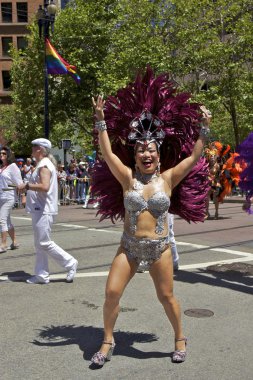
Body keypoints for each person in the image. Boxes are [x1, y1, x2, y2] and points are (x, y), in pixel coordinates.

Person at [89, 69, 211, 367]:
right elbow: (107, 153)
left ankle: (180, 337)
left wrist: (205, 128)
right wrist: (100, 119)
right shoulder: (127, 177)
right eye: (141, 149)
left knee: (166, 297)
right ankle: (107, 340)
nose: (146, 153)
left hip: (160, 249)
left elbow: (194, 157)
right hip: (129, 246)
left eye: (151, 150)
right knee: (111, 293)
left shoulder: (168, 178)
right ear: (135, 155)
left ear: (158, 155)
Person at [17, 138, 78, 284]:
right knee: (39, 244)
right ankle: (41, 275)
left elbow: (44, 186)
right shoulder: (43, 164)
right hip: (41, 209)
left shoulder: (44, 165)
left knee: (43, 243)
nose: (31, 150)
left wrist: (26, 186)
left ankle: (70, 263)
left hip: (43, 209)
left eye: (33, 147)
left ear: (39, 149)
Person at [0, 146, 24, 252]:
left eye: (4, 153)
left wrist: (24, 196)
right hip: (1, 196)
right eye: (1, 153)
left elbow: (19, 183)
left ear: (8, 155)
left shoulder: (13, 166)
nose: (2, 155)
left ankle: (3, 244)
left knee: (2, 220)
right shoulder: (1, 167)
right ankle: (15, 242)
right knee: (7, 221)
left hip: (8, 196)